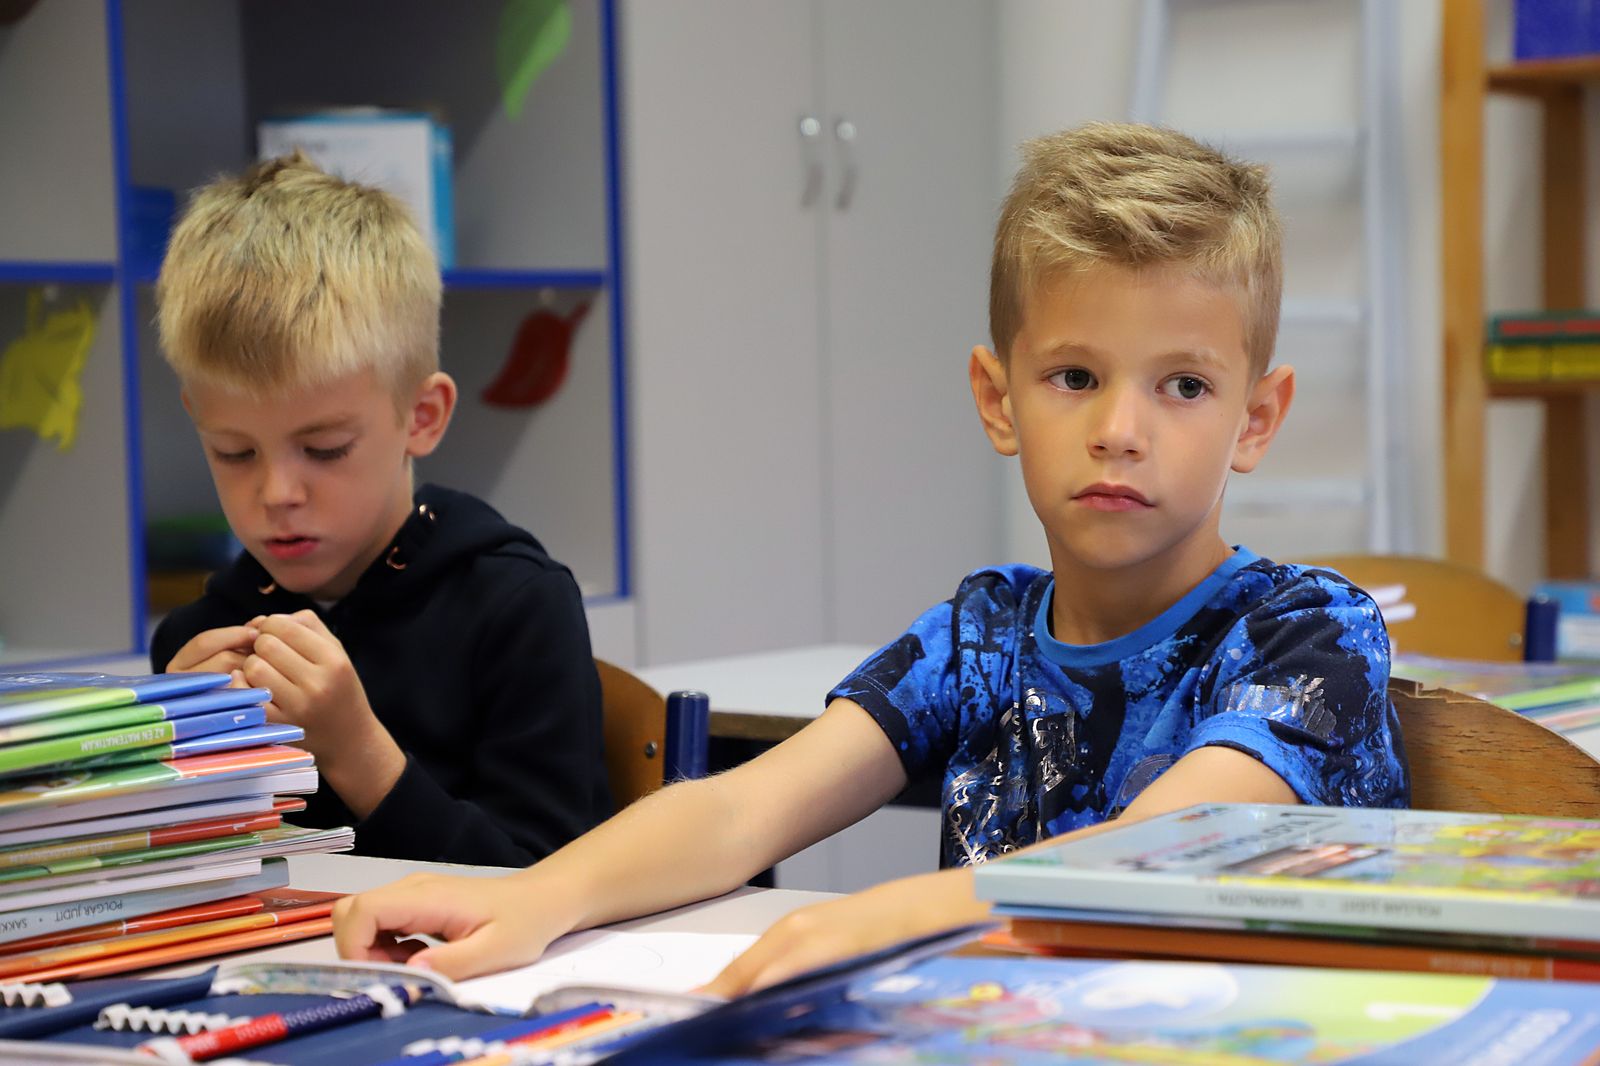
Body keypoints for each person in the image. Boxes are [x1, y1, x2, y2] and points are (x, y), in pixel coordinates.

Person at [332, 122, 1408, 991]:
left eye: (1184, 386)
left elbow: (1155, 856)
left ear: (1256, 420)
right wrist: (536, 897)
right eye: (1075, 377)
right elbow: (742, 808)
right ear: (998, 399)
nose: (1121, 429)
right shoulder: (981, 635)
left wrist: (885, 917)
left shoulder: (1310, 635)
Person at [150, 152, 610, 867]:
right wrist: (168, 768)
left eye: (325, 448)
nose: (277, 492)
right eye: (234, 452)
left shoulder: (516, 607)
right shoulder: (201, 638)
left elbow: (550, 884)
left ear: (422, 416)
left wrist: (354, 750)